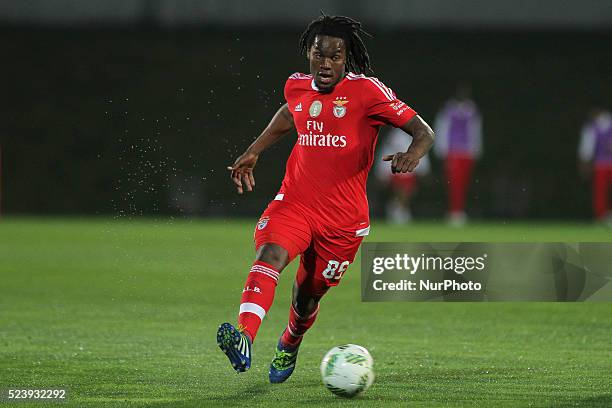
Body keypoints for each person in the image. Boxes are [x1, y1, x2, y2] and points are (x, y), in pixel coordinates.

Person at [217, 13, 434, 383]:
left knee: (306, 298)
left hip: (342, 222)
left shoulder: (368, 92)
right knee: (269, 254)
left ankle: (290, 342)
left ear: (346, 58)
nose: (326, 63)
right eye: (319, 54)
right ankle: (245, 336)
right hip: (295, 203)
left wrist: (412, 155)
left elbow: (423, 131)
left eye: (335, 56)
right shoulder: (297, 86)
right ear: (309, 53)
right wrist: (255, 150)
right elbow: (290, 113)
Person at [433, 84, 482, 226]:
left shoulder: (472, 110)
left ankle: (459, 210)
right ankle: (454, 212)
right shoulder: (449, 110)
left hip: (466, 151)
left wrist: (476, 149)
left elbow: (475, 130)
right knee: (453, 182)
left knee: (463, 182)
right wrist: (441, 149)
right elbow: (442, 128)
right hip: (453, 151)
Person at [375, 127, 431, 223]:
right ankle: (397, 211)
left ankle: (400, 208)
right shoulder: (395, 135)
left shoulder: (415, 133)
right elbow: (388, 151)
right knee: (400, 190)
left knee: (410, 192)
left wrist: (424, 168)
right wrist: (382, 171)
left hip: (409, 169)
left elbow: (418, 150)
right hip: (395, 169)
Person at [578, 107, 612, 224]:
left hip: (603, 165)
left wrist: (584, 163)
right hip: (601, 164)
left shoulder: (593, 127)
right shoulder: (592, 127)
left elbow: (586, 148)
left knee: (601, 192)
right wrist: (585, 162)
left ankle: (603, 216)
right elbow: (587, 147)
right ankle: (602, 217)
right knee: (600, 192)